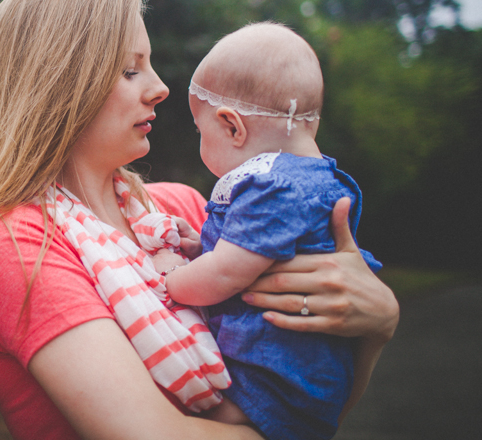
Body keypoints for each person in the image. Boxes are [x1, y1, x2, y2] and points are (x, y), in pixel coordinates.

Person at [0, 0, 399, 440]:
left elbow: (301, 401)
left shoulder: (185, 210)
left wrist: (376, 329)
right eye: (131, 70)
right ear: (56, 86)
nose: (160, 87)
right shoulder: (22, 245)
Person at [152, 22, 381, 439]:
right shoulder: (309, 179)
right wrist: (201, 246)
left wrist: (171, 280)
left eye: (201, 133)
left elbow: (227, 272)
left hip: (274, 380)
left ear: (233, 126)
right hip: (301, 374)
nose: (200, 144)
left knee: (190, 423)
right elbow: (247, 253)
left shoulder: (275, 186)